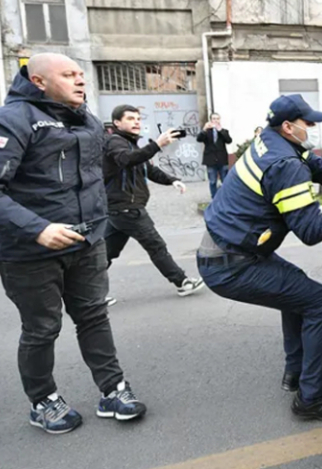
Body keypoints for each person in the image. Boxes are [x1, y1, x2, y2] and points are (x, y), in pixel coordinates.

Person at [197, 94, 322, 422]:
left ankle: (297, 373)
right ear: (288, 126)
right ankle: (313, 398)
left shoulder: (271, 143)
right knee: (321, 303)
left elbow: (321, 169)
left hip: (228, 251)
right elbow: (311, 230)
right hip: (232, 263)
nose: (311, 128)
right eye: (307, 123)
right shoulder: (285, 165)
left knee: (296, 291)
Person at [0, 54, 147, 435]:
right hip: (29, 251)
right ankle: (43, 399)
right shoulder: (14, 119)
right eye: (68, 76)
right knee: (41, 328)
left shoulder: (87, 119)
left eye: (81, 75)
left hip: (87, 240)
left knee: (94, 316)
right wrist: (37, 228)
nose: (81, 81)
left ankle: (112, 390)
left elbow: (97, 175)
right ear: (38, 81)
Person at [103, 105, 204, 302]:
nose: (136, 122)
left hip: (120, 209)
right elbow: (126, 160)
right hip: (127, 208)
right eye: (131, 119)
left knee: (106, 254)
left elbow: (149, 170)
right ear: (117, 123)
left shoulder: (132, 144)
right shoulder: (115, 143)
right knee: (156, 245)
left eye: (138, 119)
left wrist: (172, 180)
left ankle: (88, 295)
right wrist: (157, 145)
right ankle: (182, 281)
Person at [197, 112, 232, 199]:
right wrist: (204, 129)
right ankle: (214, 198)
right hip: (211, 160)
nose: (216, 120)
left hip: (222, 160)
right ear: (211, 120)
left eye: (217, 118)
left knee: (225, 181)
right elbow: (199, 139)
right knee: (212, 181)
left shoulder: (224, 131)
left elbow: (229, 140)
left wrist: (221, 131)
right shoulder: (207, 132)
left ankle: (225, 198)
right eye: (214, 119)